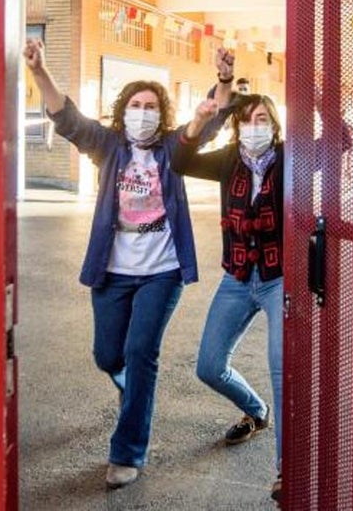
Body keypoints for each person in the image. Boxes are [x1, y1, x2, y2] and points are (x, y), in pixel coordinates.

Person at [22, 37, 234, 490]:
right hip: (113, 271)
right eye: (136, 104)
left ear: (162, 113)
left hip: (162, 271)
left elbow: (207, 122)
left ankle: (127, 452)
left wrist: (223, 80)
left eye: (151, 105)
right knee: (107, 356)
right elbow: (66, 118)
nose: (143, 111)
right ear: (124, 110)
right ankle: (128, 387)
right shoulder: (108, 145)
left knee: (141, 353)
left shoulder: (173, 149)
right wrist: (40, 71)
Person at [172, 93, 285, 502]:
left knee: (280, 367)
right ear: (238, 127)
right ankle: (257, 413)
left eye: (262, 119)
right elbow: (180, 161)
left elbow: (340, 142)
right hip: (237, 277)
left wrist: (321, 100)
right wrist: (202, 117)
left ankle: (284, 471)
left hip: (277, 279)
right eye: (248, 120)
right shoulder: (227, 161)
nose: (256, 126)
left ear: (273, 124)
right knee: (208, 366)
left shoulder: (291, 158)